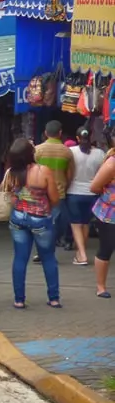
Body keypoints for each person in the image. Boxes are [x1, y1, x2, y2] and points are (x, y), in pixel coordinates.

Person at [1, 138, 61, 309]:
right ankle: (54, 298)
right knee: (48, 258)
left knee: (20, 258)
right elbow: (55, 199)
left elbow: (8, 195)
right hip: (40, 219)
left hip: (18, 217)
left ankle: (19, 299)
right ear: (30, 154)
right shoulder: (44, 171)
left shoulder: (11, 173)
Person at [67, 127, 106, 266]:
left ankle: (82, 255)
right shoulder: (100, 153)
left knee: (76, 224)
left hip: (73, 193)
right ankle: (79, 253)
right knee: (85, 224)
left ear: (77, 138)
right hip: (92, 194)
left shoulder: (71, 152)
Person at [35, 120, 74, 251]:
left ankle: (42, 249)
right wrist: (65, 186)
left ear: (46, 133)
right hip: (59, 193)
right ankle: (48, 248)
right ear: (60, 133)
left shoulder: (37, 150)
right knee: (54, 223)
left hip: (40, 193)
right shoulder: (67, 152)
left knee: (41, 222)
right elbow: (70, 175)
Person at [89, 127, 115, 299]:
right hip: (109, 214)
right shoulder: (111, 163)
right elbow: (94, 187)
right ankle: (101, 286)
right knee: (106, 249)